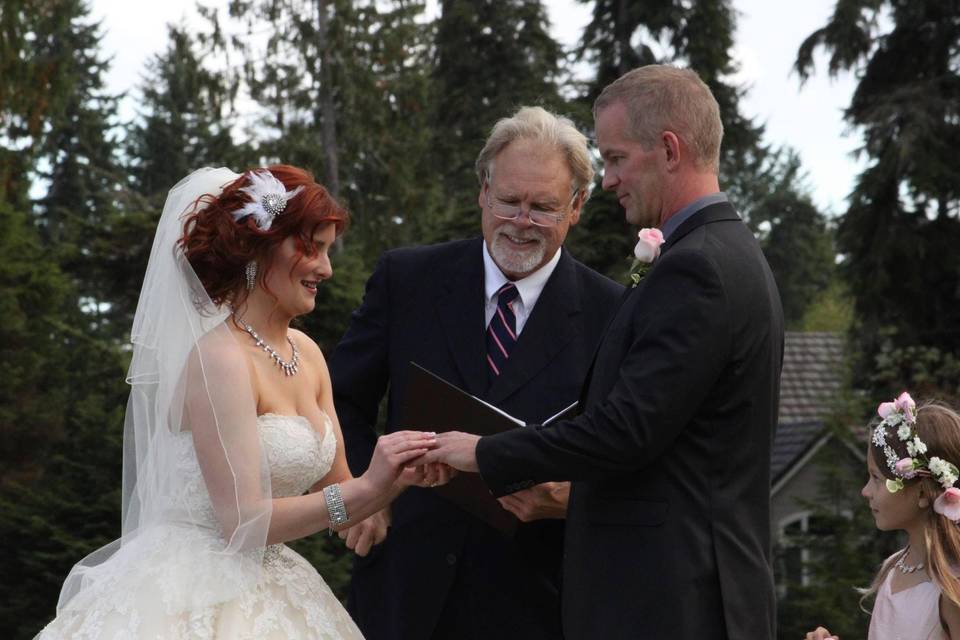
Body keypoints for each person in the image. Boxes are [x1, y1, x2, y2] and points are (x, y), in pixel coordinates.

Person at [421, 64, 785, 639]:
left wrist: (486, 452)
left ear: (668, 149)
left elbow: (625, 431)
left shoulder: (697, 268)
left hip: (669, 599)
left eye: (615, 158)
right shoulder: (728, 254)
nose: (609, 179)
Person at [35, 165, 443, 639]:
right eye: (311, 247)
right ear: (258, 247)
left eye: (328, 251)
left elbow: (343, 493)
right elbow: (242, 522)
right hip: (192, 592)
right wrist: (369, 488)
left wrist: (398, 477)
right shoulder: (218, 358)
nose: (325, 269)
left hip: (275, 582)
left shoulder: (307, 353)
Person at [328, 106, 624, 640]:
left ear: (577, 206)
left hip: (535, 603)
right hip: (402, 589)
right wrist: (357, 493)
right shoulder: (407, 279)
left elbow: (625, 455)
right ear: (482, 192)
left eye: (543, 207)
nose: (520, 222)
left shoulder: (614, 315)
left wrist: (571, 499)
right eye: (509, 201)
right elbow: (338, 399)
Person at [805, 393, 960, 640]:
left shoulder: (951, 590)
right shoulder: (894, 567)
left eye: (876, 478)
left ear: (922, 492)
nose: (865, 491)